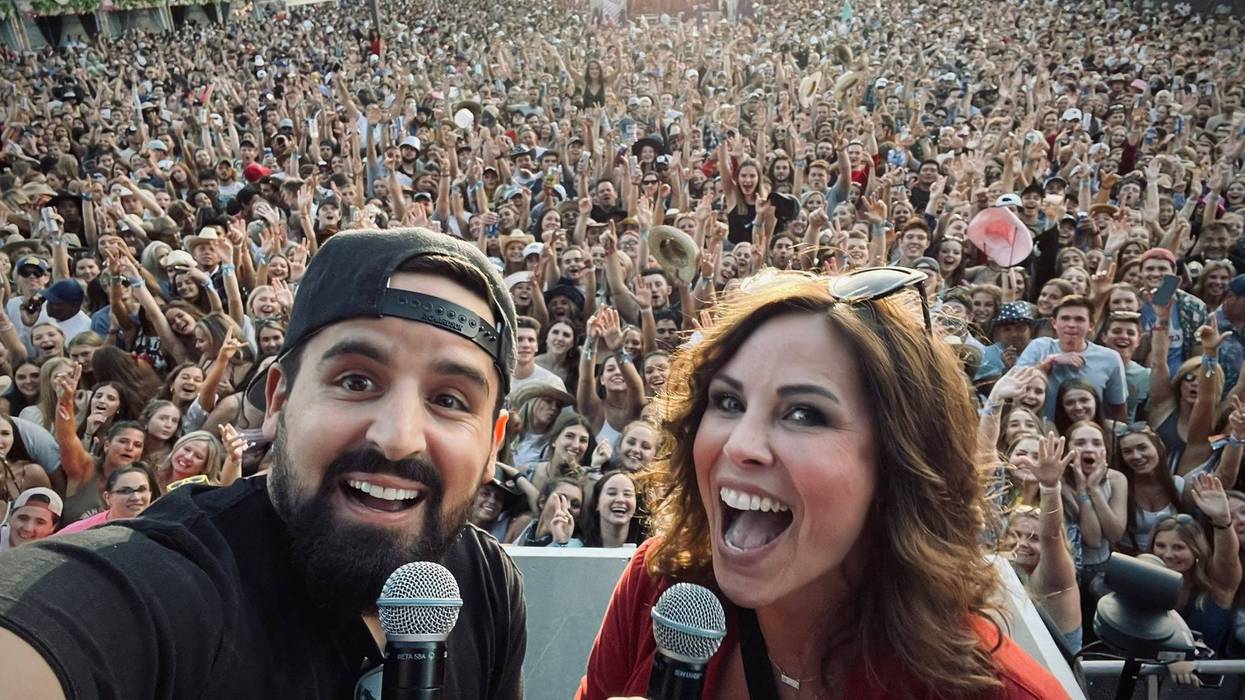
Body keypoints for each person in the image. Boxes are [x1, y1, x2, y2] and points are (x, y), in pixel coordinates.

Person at [0, 229, 526, 698]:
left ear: (493, 446)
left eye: (450, 400)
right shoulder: (173, 586)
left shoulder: (486, 584)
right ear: (278, 399)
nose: (398, 438)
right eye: (356, 381)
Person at [577, 269, 1063, 698]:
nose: (740, 444)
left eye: (804, 413)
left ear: (898, 464)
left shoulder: (994, 692)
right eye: (727, 402)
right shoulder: (659, 587)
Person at [57, 465, 160, 536]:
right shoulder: (81, 531)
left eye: (142, 490)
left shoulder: (162, 528)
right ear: (108, 498)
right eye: (125, 491)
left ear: (150, 493)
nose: (136, 497)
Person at [0, 487, 63, 551]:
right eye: (23, 518)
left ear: (53, 527)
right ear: (10, 517)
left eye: (40, 522)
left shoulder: (55, 555)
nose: (28, 528)